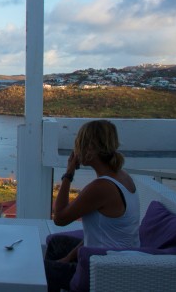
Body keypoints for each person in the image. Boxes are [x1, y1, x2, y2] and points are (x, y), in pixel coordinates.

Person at [44, 120, 140, 292]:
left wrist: (69, 173)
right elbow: (98, 235)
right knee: (56, 244)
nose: (76, 150)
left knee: (38, 271)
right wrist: (67, 258)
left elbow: (59, 218)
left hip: (104, 272)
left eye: (79, 144)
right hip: (121, 261)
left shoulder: (102, 187)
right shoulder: (122, 176)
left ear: (91, 148)